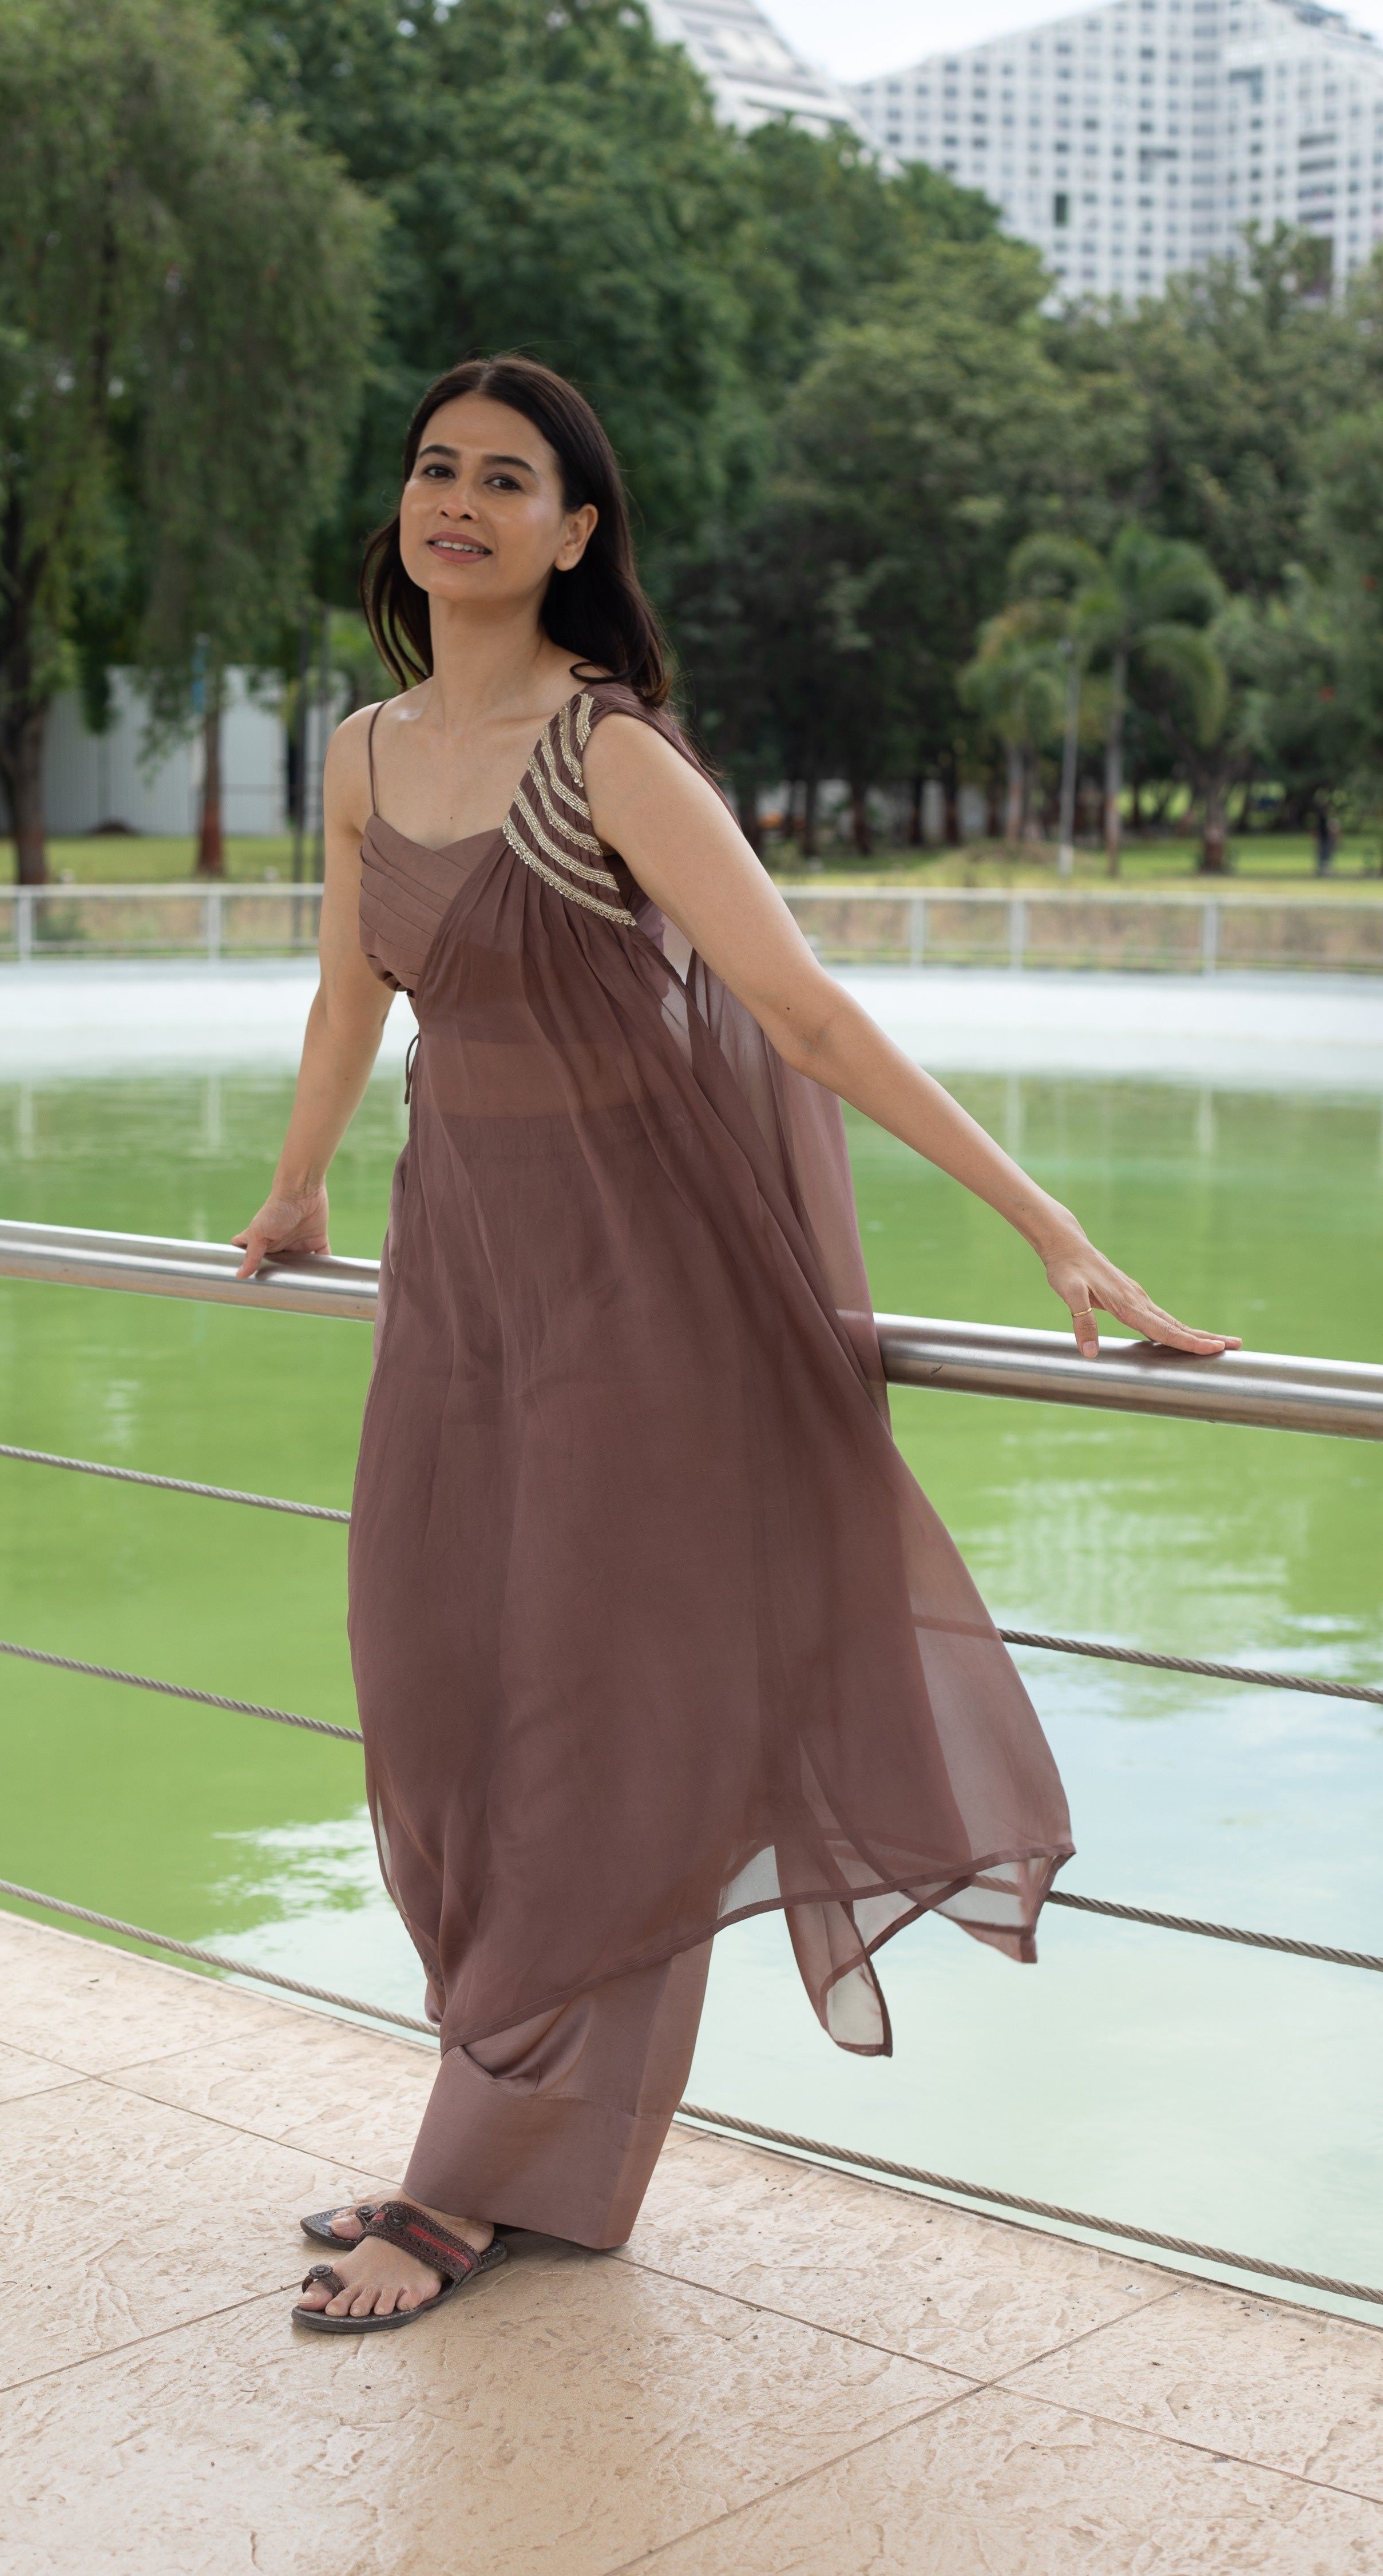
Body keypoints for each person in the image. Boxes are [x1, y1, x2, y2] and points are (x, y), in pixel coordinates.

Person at [233, 355, 1238, 2336]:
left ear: (574, 533)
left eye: (506, 479)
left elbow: (809, 1014)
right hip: (462, 1288)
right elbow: (353, 997)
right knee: (436, 1692)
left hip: (645, 1298)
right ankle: (534, 2136)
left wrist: (1055, 1228)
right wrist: (294, 1189)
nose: (459, 502)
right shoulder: (362, 754)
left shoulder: (608, 754)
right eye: (436, 469)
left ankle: (466, 2178)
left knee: (587, 1730)